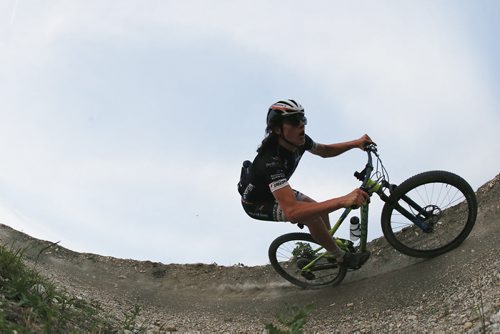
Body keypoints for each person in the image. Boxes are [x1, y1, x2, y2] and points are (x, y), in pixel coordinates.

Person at [239, 99, 373, 268]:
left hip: (274, 190)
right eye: (295, 121)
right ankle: (340, 257)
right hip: (257, 204)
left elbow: (325, 151)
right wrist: (342, 200)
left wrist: (355, 143)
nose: (302, 125)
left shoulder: (299, 141)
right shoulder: (269, 162)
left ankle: (328, 245)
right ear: (277, 129)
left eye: (303, 119)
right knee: (311, 216)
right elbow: (293, 212)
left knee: (319, 210)